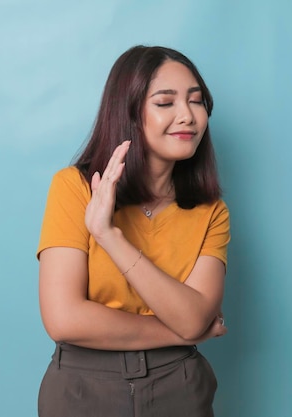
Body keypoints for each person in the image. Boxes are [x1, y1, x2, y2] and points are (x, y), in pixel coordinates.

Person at [36, 45, 230, 417]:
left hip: (180, 384)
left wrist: (109, 235)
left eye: (196, 101)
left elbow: (194, 319)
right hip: (81, 389)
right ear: (129, 113)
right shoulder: (74, 188)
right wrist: (182, 333)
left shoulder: (211, 211)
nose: (187, 116)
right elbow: (63, 319)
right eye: (165, 102)